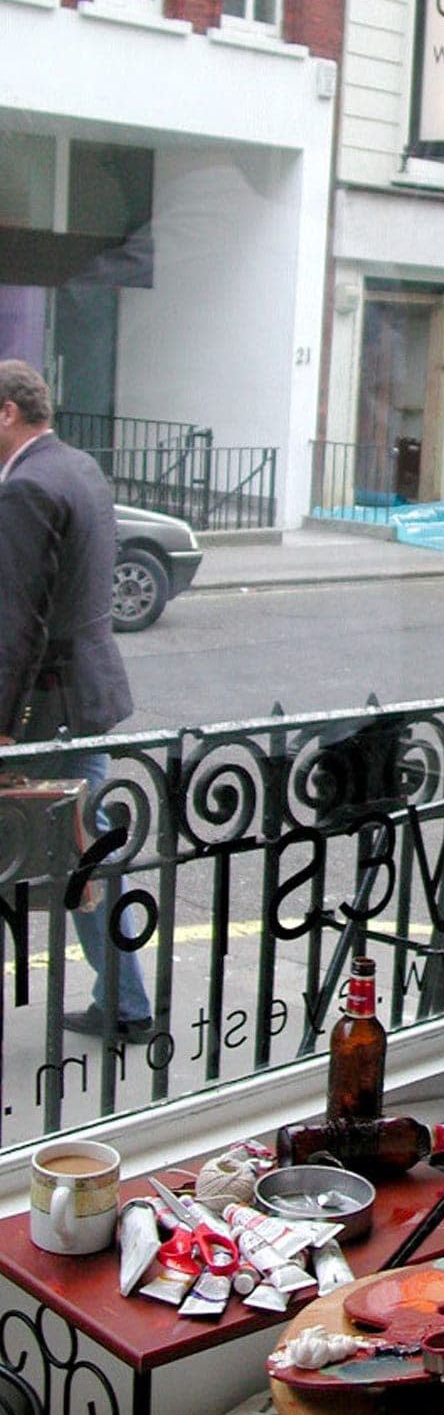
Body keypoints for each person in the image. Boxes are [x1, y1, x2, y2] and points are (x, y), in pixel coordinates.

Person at [0, 359, 154, 1042]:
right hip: (87, 697)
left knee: (56, 857)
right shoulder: (79, 467)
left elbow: (16, 619)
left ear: (8, 412)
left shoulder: (26, 487)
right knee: (86, 854)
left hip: (46, 710)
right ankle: (125, 1005)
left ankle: (126, 1005)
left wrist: (4, 726)